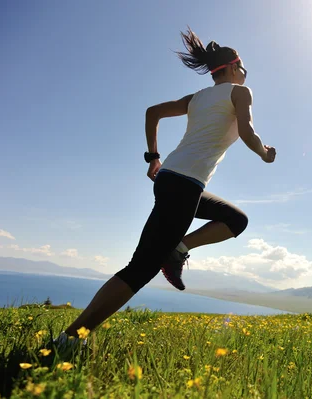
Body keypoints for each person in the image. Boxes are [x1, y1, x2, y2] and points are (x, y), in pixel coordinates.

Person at [55, 27, 276, 347]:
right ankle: (71, 339)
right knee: (140, 268)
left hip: (175, 180)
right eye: (243, 68)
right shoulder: (240, 92)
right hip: (183, 185)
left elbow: (152, 113)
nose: (244, 74)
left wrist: (153, 159)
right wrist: (265, 153)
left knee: (235, 220)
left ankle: (178, 249)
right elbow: (247, 131)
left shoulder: (197, 98)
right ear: (231, 67)